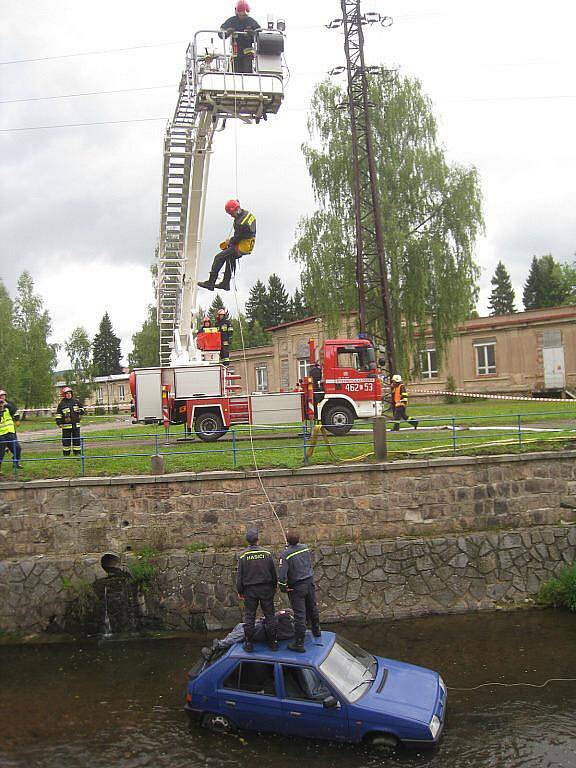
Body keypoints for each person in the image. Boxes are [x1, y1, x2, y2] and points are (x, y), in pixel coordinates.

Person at [198, 200, 256, 292]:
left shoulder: (240, 223)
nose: (231, 216)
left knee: (218, 257)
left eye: (231, 213)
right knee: (229, 257)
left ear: (235, 210)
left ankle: (210, 283)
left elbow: (236, 239)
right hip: (249, 244)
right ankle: (225, 283)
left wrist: (229, 242)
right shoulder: (247, 214)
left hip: (243, 246)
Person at [278, 529, 321, 653]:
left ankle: (299, 643)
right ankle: (316, 631)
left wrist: (283, 588)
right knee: (312, 608)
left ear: (287, 540)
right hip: (309, 582)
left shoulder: (285, 555)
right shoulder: (305, 548)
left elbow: (282, 576)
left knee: (300, 615)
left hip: (297, 588)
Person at [236, 526, 278, 652]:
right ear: (258, 539)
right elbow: (273, 572)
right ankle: (273, 643)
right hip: (266, 589)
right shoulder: (267, 553)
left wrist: (240, 591)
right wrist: (274, 586)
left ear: (247, 541)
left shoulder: (242, 556)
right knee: (270, 616)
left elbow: (240, 576)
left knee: (249, 617)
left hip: (250, 591)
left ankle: (249, 643)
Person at [220, 1, 261, 74]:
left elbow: (259, 35)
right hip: (236, 52)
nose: (242, 16)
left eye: (244, 15)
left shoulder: (252, 22)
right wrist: (227, 32)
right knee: (236, 72)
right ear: (236, 11)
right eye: (241, 14)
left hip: (247, 52)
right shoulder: (231, 21)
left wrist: (253, 33)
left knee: (247, 71)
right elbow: (221, 33)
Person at [55, 386, 85, 456]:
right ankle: (66, 454)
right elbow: (58, 414)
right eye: (67, 393)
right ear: (64, 395)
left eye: (70, 393)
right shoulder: (62, 404)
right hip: (66, 427)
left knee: (77, 440)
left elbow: (82, 410)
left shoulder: (76, 402)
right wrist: (59, 423)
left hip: (76, 426)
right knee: (66, 441)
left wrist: (80, 411)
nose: (69, 394)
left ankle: (77, 453)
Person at [0, 391, 22, 471]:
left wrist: (7, 405)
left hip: (10, 432)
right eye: (1, 396)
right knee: (1, 453)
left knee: (17, 449)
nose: (2, 398)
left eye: (3, 396)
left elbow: (14, 411)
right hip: (1, 434)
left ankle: (16, 463)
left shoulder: (8, 404)